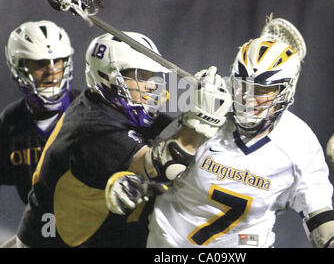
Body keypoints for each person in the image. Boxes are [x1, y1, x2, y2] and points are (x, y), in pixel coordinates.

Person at [107, 18, 334, 248]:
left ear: (286, 92)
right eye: (243, 86)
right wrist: (133, 183)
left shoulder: (299, 143)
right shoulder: (207, 113)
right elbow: (157, 171)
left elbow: (318, 216)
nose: (248, 99)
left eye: (261, 91)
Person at [14, 31, 231, 248]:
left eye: (154, 77)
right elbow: (163, 165)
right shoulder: (91, 128)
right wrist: (201, 122)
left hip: (93, 232)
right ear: (109, 77)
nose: (153, 86)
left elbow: (175, 135)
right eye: (141, 76)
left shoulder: (115, 107)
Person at [0, 20, 78, 245]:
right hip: (43, 231)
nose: (52, 71)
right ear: (19, 67)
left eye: (58, 62)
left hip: (93, 230)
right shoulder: (11, 122)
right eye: (41, 63)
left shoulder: (90, 112)